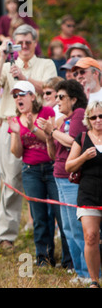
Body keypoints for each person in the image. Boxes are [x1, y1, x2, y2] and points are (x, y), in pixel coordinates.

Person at [0, 24, 58, 249]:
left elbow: (51, 88)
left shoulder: (46, 64)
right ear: (14, 45)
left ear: (35, 43)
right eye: (20, 43)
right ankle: (6, 235)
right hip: (12, 124)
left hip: (43, 123)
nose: (25, 46)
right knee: (11, 180)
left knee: (50, 178)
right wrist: (1, 57)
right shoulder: (8, 64)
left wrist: (24, 77)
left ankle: (53, 231)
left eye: (28, 42)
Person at [7, 80, 70, 267]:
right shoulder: (15, 120)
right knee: (39, 217)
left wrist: (33, 127)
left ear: (32, 97)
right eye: (15, 95)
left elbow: (51, 137)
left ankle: (69, 260)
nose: (18, 98)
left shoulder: (46, 113)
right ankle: (44, 258)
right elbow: (17, 152)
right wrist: (17, 133)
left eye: (22, 94)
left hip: (52, 168)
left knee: (61, 214)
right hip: (30, 171)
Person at [37, 79, 90, 283]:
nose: (57, 101)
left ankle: (87, 273)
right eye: (56, 96)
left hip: (70, 178)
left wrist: (53, 131)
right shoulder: (64, 119)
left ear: (74, 99)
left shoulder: (78, 114)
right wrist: (50, 136)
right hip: (59, 174)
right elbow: (53, 154)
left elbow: (76, 141)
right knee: (67, 228)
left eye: (61, 97)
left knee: (76, 228)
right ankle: (79, 272)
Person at [65, 100, 102, 288]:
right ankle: (94, 280)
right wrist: (84, 157)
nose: (98, 120)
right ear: (88, 119)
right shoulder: (81, 138)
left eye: (101, 116)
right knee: (91, 236)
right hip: (88, 194)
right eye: (93, 117)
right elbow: (68, 166)